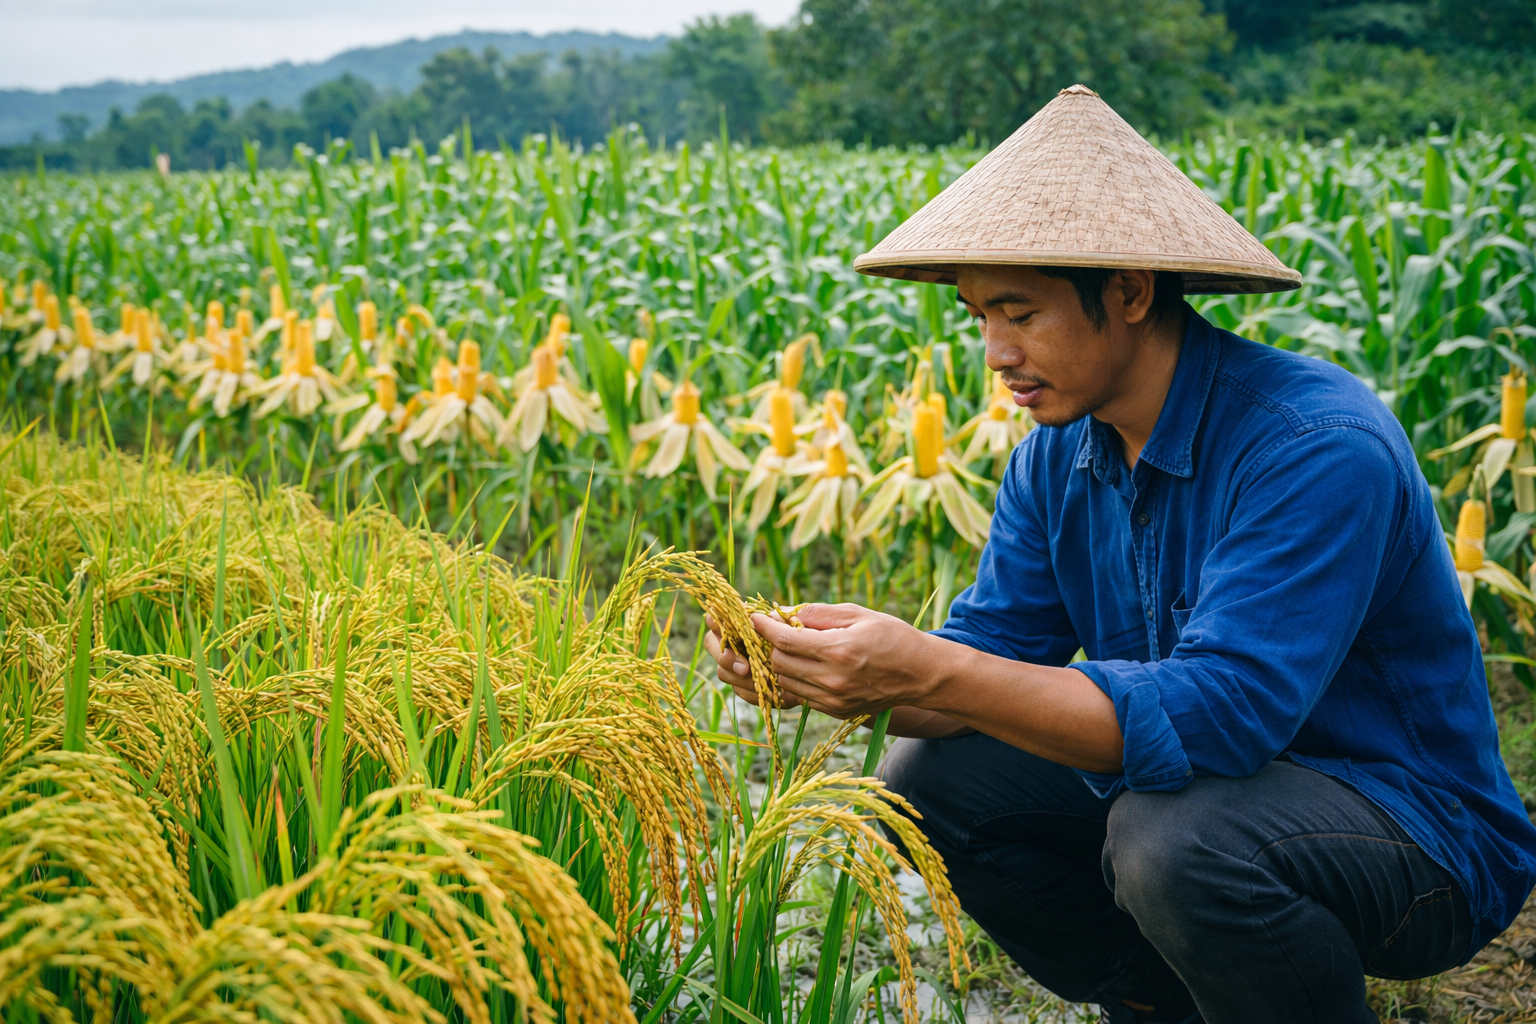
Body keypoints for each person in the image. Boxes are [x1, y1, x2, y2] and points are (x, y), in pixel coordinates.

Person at [704, 86, 1536, 1024]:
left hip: (1417, 835)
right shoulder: (1056, 456)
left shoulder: (1312, 445)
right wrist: (831, 672)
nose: (994, 352)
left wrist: (930, 666)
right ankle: (1162, 1007)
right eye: (979, 316)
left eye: (1019, 312)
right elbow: (994, 657)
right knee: (926, 783)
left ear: (1132, 293)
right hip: (1214, 805)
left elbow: (1222, 717)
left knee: (1174, 843)